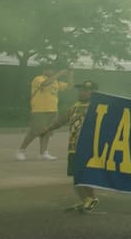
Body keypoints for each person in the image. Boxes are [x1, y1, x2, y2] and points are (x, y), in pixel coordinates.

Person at [40, 80, 99, 212]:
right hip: (73, 146)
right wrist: (48, 128)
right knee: (77, 175)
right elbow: (62, 119)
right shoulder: (75, 106)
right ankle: (87, 200)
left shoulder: (98, 107)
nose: (82, 92)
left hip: (88, 147)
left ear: (93, 92)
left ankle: (89, 199)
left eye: (86, 90)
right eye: (81, 90)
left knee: (80, 175)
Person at [17, 66, 72, 160]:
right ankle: (21, 151)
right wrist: (60, 73)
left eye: (52, 69)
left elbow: (69, 87)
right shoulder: (38, 79)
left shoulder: (56, 81)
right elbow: (45, 84)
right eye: (49, 69)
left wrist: (70, 76)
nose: (51, 71)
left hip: (53, 109)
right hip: (39, 109)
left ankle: (43, 153)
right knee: (34, 131)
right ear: (44, 70)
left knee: (47, 132)